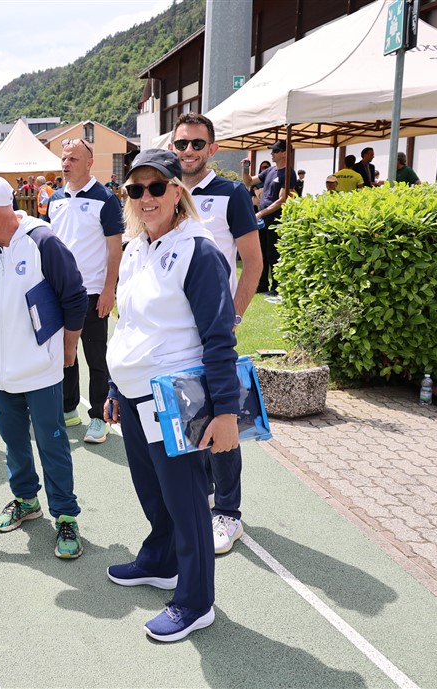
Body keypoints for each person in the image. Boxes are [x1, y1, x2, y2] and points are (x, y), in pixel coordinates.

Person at [103, 148, 239, 642]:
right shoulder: (136, 247)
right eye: (135, 189)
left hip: (175, 398)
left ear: (177, 192)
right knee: (152, 491)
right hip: (135, 394)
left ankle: (196, 601)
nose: (146, 197)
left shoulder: (199, 250)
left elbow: (219, 337)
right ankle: (161, 560)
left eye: (156, 187)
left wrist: (225, 412)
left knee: (187, 503)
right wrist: (115, 386)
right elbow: (130, 323)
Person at [0, 173, 88, 559]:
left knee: (52, 444)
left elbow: (75, 298)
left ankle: (66, 516)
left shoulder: (43, 242)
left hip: (41, 371)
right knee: (13, 442)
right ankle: (26, 500)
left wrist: (68, 350)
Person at [170, 113, 260, 555]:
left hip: (213, 332)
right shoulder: (165, 190)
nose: (189, 151)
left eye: (197, 144)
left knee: (223, 418)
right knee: (191, 418)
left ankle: (228, 512)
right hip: (175, 332)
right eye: (182, 144)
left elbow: (253, 264)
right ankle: (207, 494)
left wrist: (233, 317)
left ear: (212, 148)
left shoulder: (231, 193)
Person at [46, 138, 124, 443]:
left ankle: (99, 418)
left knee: (96, 357)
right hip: (58, 292)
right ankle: (69, 408)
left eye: (73, 159)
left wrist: (108, 289)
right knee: (65, 354)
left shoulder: (105, 199)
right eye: (64, 159)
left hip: (92, 292)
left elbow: (114, 248)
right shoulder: (54, 199)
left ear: (89, 163)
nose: (66, 164)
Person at [242, 140, 297, 293]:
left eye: (275, 151)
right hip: (262, 219)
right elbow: (249, 181)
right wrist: (245, 169)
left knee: (273, 253)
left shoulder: (289, 173)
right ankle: (262, 285)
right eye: (272, 150)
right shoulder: (270, 171)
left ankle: (276, 287)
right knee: (261, 252)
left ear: (285, 153)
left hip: (275, 219)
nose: (271, 153)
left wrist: (261, 213)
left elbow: (282, 199)